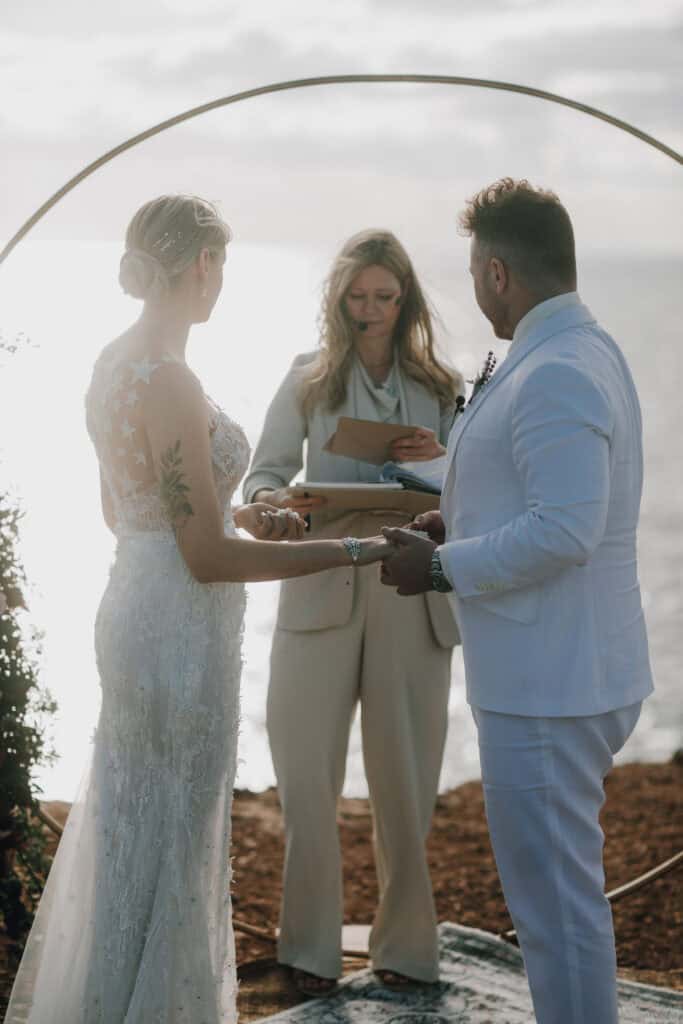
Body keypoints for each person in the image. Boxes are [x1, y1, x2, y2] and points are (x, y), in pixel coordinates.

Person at [5, 195, 388, 1024]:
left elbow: (127, 514)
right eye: (223, 263)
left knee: (133, 836)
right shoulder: (171, 380)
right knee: (174, 840)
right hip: (178, 628)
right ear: (204, 264)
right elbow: (205, 558)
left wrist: (241, 512)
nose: (222, 280)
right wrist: (353, 550)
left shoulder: (113, 363)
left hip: (134, 605)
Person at [380, 178, 653, 1024]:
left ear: (497, 272)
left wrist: (439, 567)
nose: (473, 286)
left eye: (473, 272)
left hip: (549, 685)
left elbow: (565, 530)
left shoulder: (558, 370)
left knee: (554, 913)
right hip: (560, 668)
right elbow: (539, 495)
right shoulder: (580, 348)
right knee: (557, 900)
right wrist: (455, 517)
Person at [243, 229, 463, 994]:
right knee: (305, 779)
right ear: (337, 300)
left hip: (412, 591)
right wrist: (276, 505)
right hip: (321, 584)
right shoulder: (306, 379)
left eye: (384, 297)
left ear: (407, 301)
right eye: (356, 297)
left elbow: (480, 493)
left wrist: (439, 463)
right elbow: (263, 477)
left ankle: (405, 954)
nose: (369, 310)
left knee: (407, 784)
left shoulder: (443, 386)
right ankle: (307, 954)